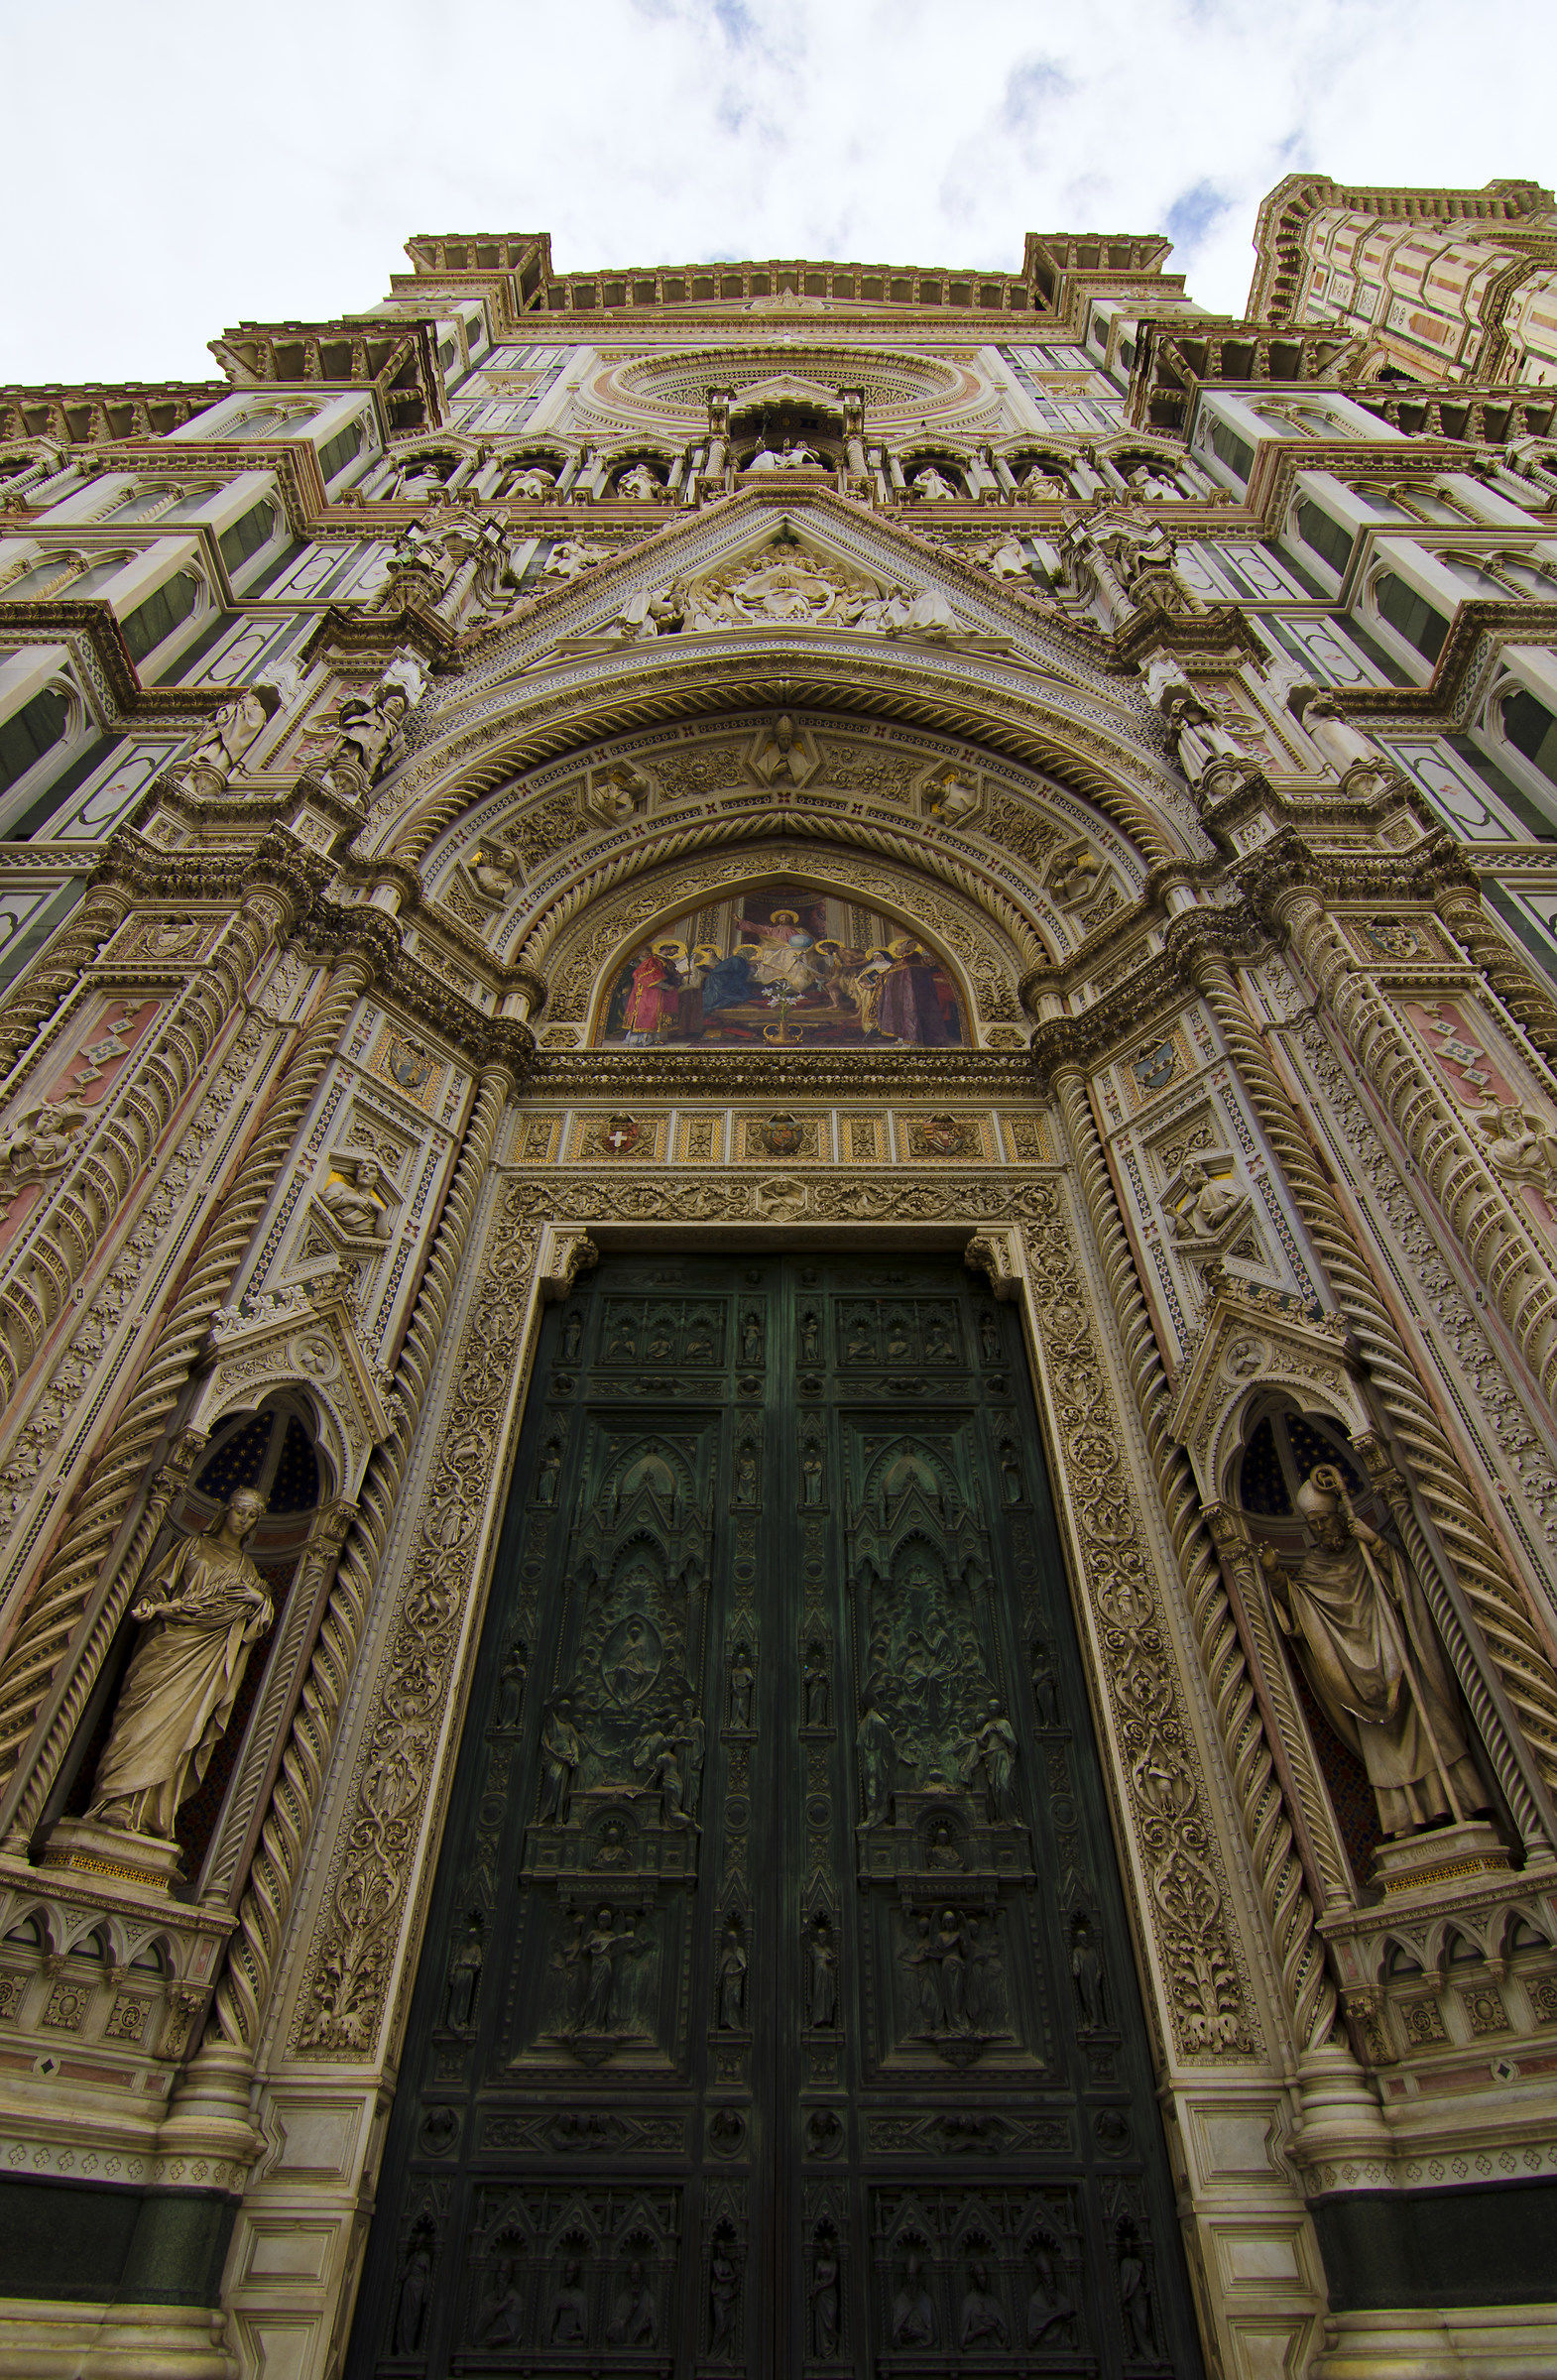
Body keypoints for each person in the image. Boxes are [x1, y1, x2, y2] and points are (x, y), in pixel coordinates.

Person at [1259, 1466, 1486, 1836]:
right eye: (1313, 1524)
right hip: (1357, 1677)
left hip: (1399, 1659)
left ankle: (1459, 1804)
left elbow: (1405, 1586)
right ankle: (1404, 1822)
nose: (1320, 1530)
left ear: (1339, 1517)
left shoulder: (1367, 1548)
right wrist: (1274, 1577)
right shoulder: (1316, 1566)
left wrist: (1377, 1543)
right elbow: (1304, 1610)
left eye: (1325, 1521)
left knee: (1432, 1733)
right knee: (1385, 1751)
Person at [88, 1488, 273, 1841]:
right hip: (168, 1647)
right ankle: (114, 1800)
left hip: (205, 1660)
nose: (244, 1520)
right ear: (225, 1510)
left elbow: (253, 1618)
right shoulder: (191, 1547)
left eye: (252, 1516)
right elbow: (157, 1587)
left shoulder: (246, 1568)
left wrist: (258, 1600)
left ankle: (152, 1814)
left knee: (179, 1733)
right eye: (239, 1511)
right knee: (142, 1719)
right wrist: (150, 1604)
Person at [876, 939, 956, 1045]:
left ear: (904, 949)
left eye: (897, 949)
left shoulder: (913, 959)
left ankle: (912, 1040)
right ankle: (904, 1038)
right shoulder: (905, 961)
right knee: (904, 1014)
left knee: (913, 1014)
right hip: (906, 995)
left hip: (917, 995)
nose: (895, 951)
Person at [621, 947, 680, 1044]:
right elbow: (648, 977)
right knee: (647, 1014)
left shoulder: (665, 962)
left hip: (659, 993)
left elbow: (670, 976)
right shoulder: (652, 961)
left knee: (656, 1015)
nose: (676, 952)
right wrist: (666, 986)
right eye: (674, 949)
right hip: (648, 992)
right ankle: (642, 1040)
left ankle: (655, 1039)